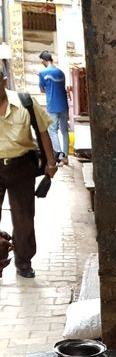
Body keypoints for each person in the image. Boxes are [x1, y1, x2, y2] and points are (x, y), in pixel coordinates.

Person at [0, 71, 58, 278]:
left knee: (24, 218)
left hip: (21, 167)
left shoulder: (25, 102)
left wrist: (51, 163)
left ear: (3, 81)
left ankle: (23, 261)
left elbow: (43, 132)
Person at [38, 50, 70, 166]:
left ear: (44, 60)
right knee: (65, 131)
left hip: (52, 105)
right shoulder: (61, 73)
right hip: (64, 105)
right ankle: (66, 157)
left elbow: (41, 90)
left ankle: (60, 157)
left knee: (52, 131)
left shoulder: (42, 73)